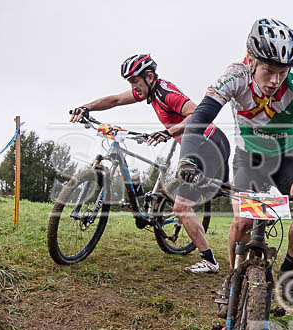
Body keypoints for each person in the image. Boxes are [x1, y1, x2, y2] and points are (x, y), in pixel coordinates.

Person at [176, 18, 293, 300]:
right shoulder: (234, 77)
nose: (275, 80)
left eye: (283, 72)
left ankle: (288, 269)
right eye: (269, 70)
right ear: (251, 60)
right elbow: (200, 118)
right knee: (242, 221)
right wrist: (188, 160)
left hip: (285, 160)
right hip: (248, 161)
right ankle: (232, 278)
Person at [69, 54, 230, 274]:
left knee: (182, 207)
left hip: (207, 145)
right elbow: (115, 100)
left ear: (150, 77)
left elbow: (196, 114)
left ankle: (210, 261)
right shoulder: (148, 91)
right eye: (130, 83)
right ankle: (251, 211)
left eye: (135, 81)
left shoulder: (166, 93)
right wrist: (85, 108)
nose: (133, 87)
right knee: (227, 189)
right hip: (199, 145)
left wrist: (167, 132)